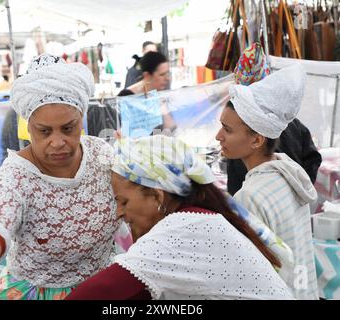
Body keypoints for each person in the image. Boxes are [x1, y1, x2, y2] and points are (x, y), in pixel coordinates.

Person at [0, 54, 119, 300]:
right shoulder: (15, 177)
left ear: (82, 118)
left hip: (102, 287)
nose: (57, 142)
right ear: (29, 126)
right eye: (44, 131)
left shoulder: (102, 155)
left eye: (68, 128)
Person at [66, 135, 294, 300]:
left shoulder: (182, 229)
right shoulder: (199, 218)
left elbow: (97, 293)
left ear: (157, 196)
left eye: (123, 201)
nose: (119, 213)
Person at [216, 64, 319, 299]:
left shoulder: (250, 196)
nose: (218, 136)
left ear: (256, 140)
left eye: (227, 130)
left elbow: (250, 278)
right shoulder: (290, 173)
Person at [226, 42, 322, 195]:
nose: (220, 136)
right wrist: (299, 187)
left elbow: (238, 194)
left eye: (226, 130)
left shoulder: (245, 129)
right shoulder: (290, 121)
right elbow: (313, 158)